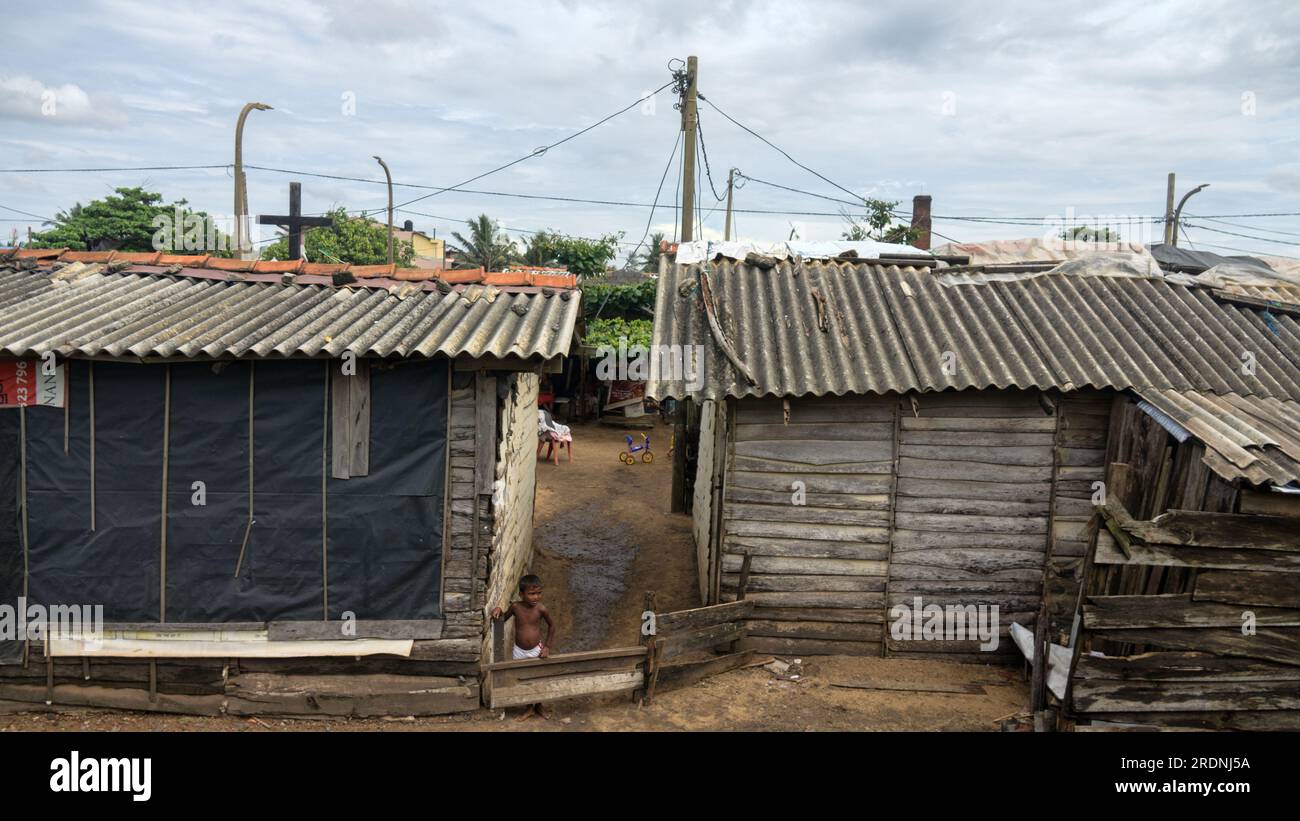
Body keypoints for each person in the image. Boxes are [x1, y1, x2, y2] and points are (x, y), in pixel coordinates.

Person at [491, 574, 558, 720]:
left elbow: (552, 626)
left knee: (538, 677)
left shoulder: (541, 609)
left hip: (536, 650)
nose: (536, 597)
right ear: (521, 594)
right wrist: (498, 610)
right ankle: (529, 708)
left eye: (539, 593)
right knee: (523, 679)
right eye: (531, 594)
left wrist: (547, 647)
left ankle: (539, 706)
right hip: (519, 651)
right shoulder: (516, 607)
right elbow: (503, 619)